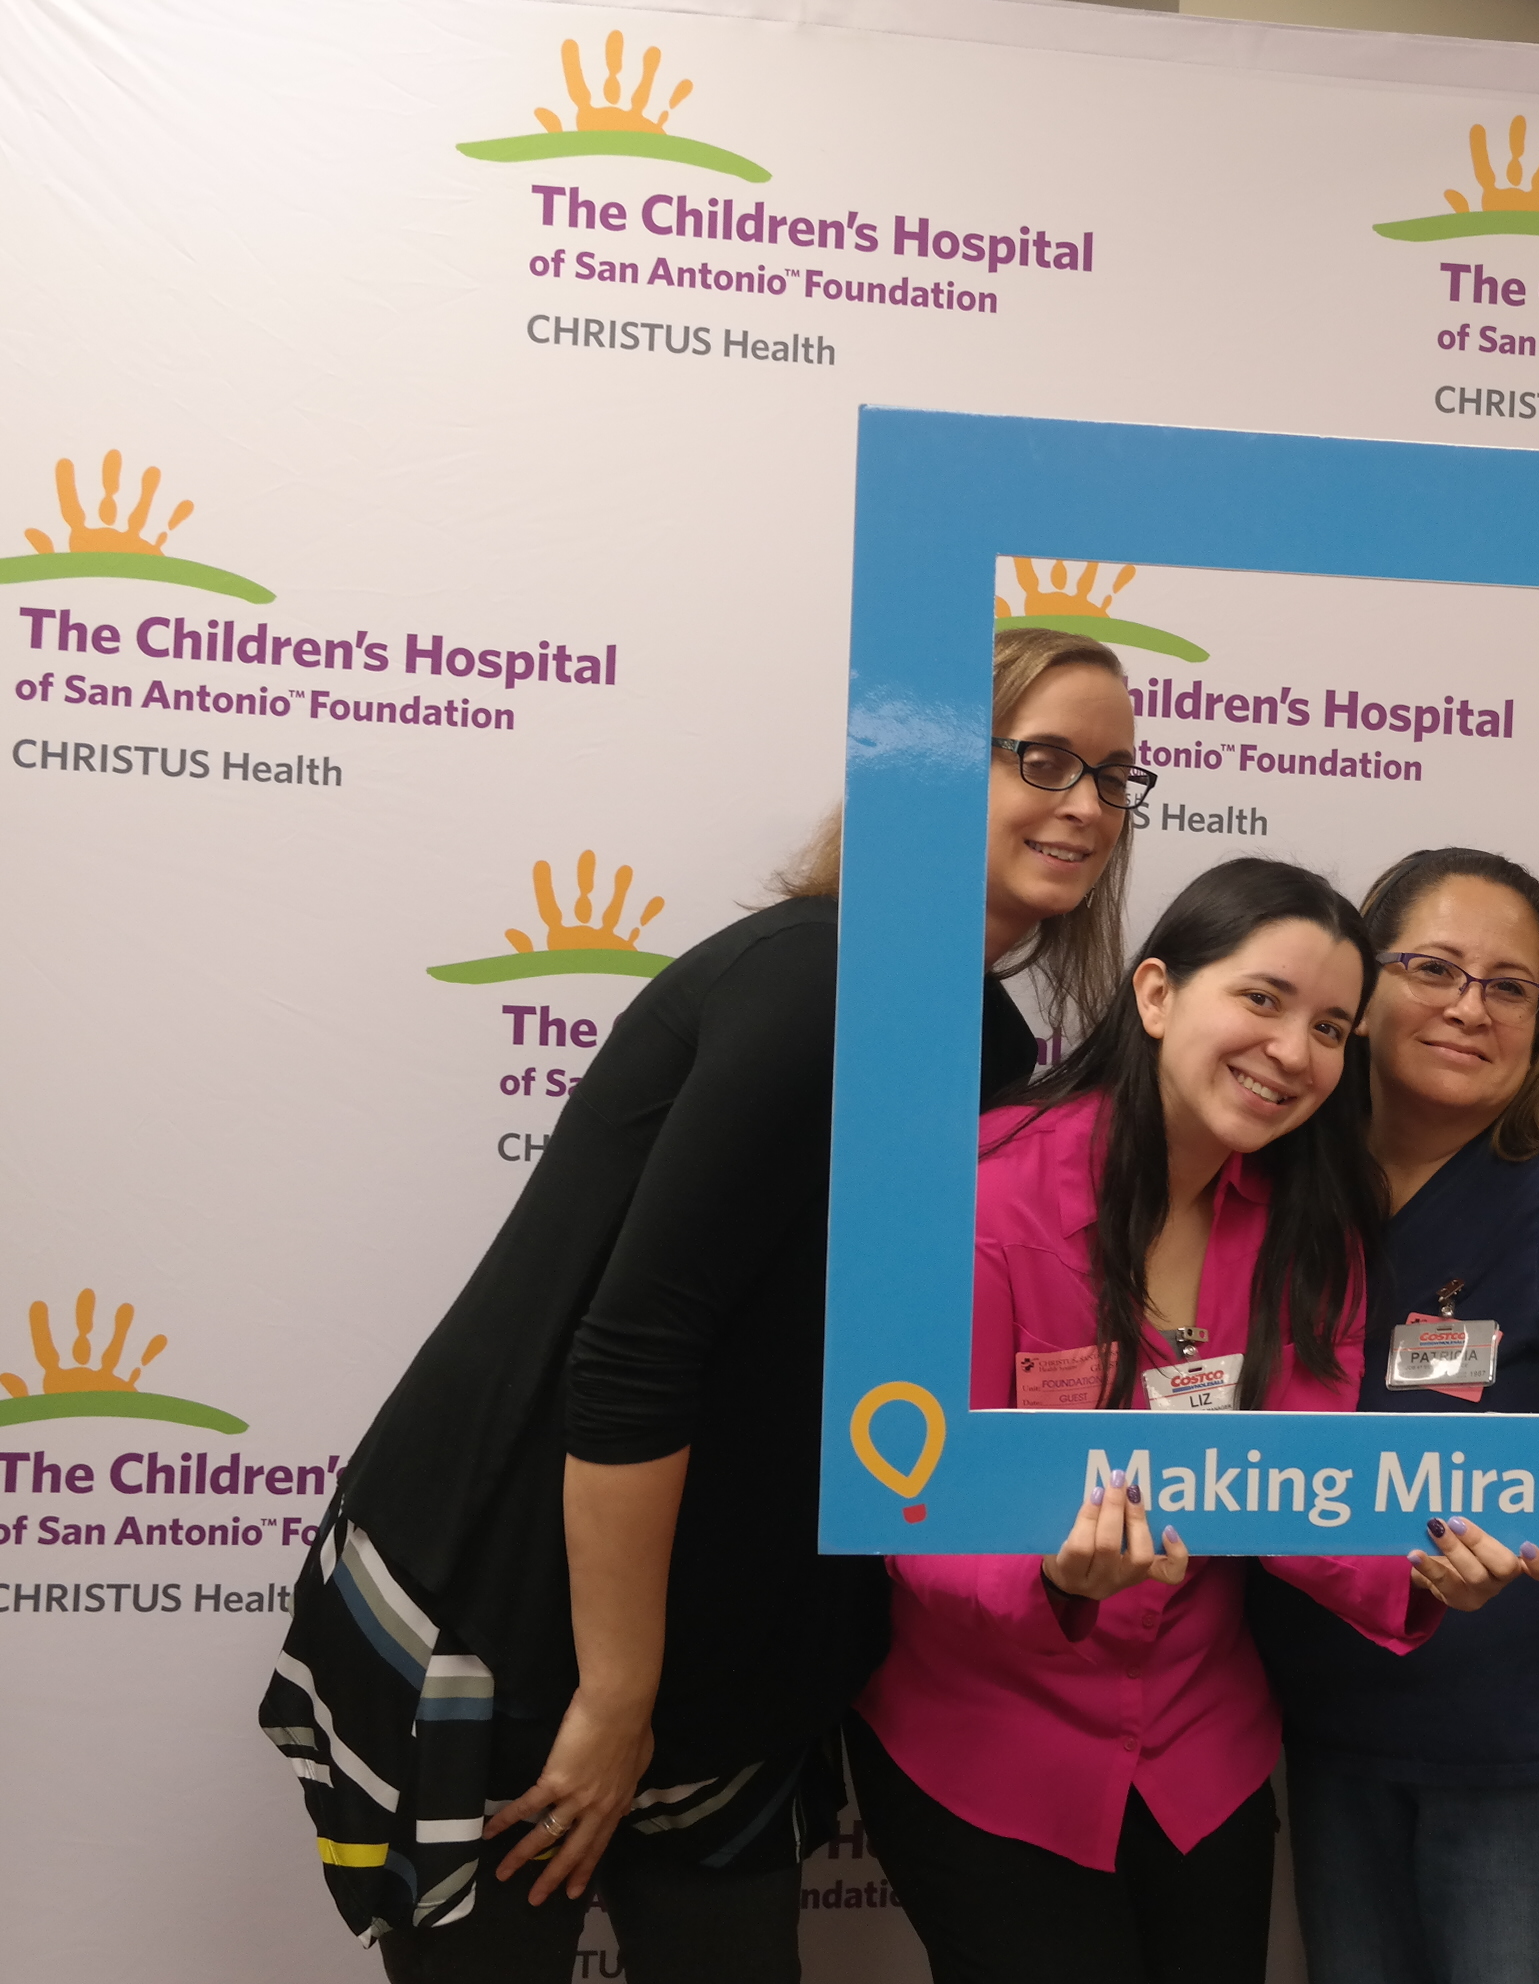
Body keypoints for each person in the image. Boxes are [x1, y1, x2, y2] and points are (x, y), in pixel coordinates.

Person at [259, 627, 1148, 1980]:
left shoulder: (987, 1037)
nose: (1086, 805)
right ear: (924, 770)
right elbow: (633, 1355)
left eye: (1115, 776)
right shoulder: (819, 976)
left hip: (729, 1641)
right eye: (1044, 759)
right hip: (532, 1614)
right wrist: (616, 1699)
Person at [846, 857, 1539, 1984]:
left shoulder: (1309, 1223)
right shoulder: (983, 1195)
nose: (1294, 1051)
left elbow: (1299, 1486)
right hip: (988, 1752)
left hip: (1199, 1752)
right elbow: (909, 1499)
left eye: (1331, 1028)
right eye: (1263, 998)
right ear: (1158, 992)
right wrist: (1053, 1578)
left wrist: (1420, 1570)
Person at [1248, 847, 1539, 1984]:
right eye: (1434, 968)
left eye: (1510, 987)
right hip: (1338, 1721)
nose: (1468, 1007)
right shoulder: (1287, 1178)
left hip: (1529, 1744)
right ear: (1362, 982)